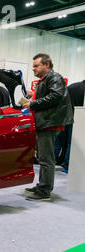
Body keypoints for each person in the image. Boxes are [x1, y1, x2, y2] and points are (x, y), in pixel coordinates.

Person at [23, 53, 74, 201]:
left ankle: (45, 190)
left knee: (46, 159)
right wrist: (34, 96)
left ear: (47, 65)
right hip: (46, 122)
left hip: (50, 123)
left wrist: (33, 103)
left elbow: (55, 96)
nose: (33, 69)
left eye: (36, 66)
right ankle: (42, 185)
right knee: (43, 157)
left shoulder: (55, 77)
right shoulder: (47, 79)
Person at [54, 80, 85, 173]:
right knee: (71, 143)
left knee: (58, 142)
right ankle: (66, 166)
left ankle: (51, 162)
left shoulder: (72, 86)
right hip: (76, 119)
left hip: (63, 117)